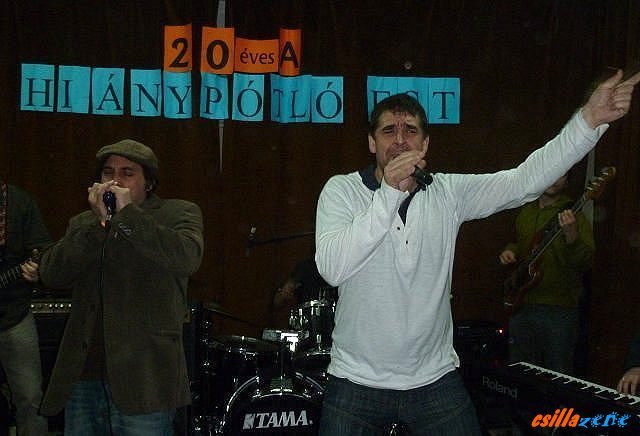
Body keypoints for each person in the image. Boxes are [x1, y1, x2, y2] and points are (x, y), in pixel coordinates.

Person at [314, 69, 640, 435]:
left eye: (411, 131)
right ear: (372, 143)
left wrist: (588, 120)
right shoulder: (341, 191)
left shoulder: (447, 193)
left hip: (433, 379)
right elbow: (332, 268)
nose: (401, 141)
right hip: (356, 381)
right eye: (389, 131)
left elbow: (524, 181)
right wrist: (389, 193)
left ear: (425, 144)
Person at [37, 139, 204, 435]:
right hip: (84, 375)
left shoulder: (177, 213)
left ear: (148, 183)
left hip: (145, 378)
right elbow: (52, 273)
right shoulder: (84, 223)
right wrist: (98, 225)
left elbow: (186, 258)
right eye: (108, 172)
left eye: (128, 173)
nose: (115, 181)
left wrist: (126, 216)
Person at [499, 172, 595, 374]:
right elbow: (519, 244)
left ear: (567, 181)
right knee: (519, 370)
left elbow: (586, 262)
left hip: (559, 311)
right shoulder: (526, 212)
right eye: (553, 173)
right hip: (521, 305)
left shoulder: (575, 216)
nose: (555, 179)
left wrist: (572, 237)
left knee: (557, 373)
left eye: (562, 175)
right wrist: (510, 251)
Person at [0, 181, 51, 436]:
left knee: (30, 399)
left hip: (13, 314)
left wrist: (37, 268)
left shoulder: (19, 202)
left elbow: (43, 250)